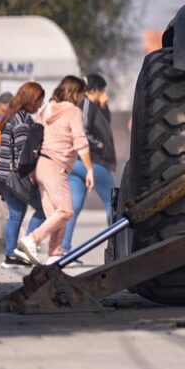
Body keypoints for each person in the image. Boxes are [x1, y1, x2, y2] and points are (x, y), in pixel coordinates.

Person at [15, 76, 93, 264]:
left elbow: (37, 137)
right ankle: (31, 239)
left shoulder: (47, 109)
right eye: (82, 93)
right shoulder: (73, 111)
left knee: (55, 215)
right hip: (56, 166)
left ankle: (55, 255)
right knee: (66, 210)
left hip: (41, 165)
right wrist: (89, 169)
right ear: (76, 92)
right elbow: (80, 141)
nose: (83, 97)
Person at [0, 82, 47, 268]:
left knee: (15, 215)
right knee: (43, 208)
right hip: (14, 177)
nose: (41, 103)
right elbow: (25, 155)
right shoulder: (22, 122)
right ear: (31, 99)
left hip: (3, 175)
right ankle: (24, 247)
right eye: (39, 100)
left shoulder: (13, 116)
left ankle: (10, 256)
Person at [61, 73, 116, 258]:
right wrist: (99, 147)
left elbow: (103, 125)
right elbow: (83, 132)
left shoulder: (94, 106)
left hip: (78, 164)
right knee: (112, 201)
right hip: (91, 161)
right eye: (103, 89)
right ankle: (116, 245)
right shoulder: (85, 105)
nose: (105, 93)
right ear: (96, 89)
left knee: (74, 207)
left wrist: (104, 105)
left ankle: (64, 250)